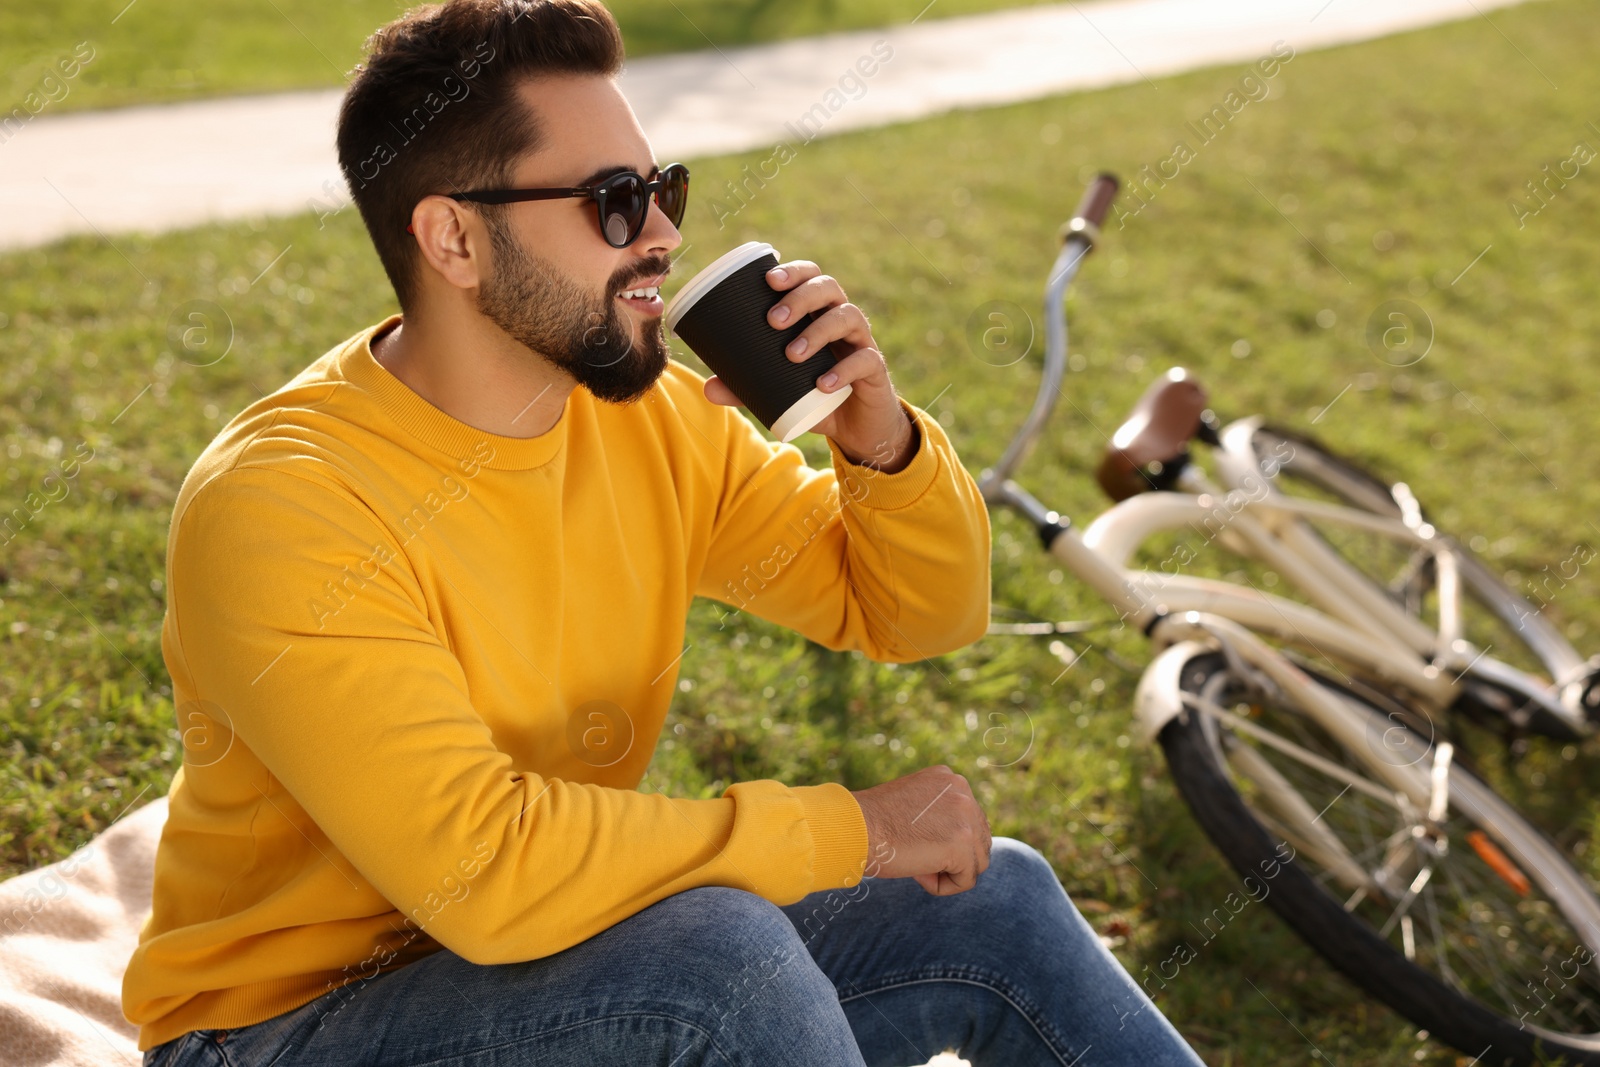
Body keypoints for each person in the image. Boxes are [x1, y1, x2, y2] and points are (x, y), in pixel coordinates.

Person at [121, 2, 1204, 1064]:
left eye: (662, 188)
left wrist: (880, 447)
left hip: (560, 963)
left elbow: (918, 613)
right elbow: (483, 870)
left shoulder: (647, 421)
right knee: (715, 963)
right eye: (615, 200)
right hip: (281, 1027)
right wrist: (854, 830)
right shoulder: (284, 502)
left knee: (992, 904)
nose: (665, 234)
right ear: (452, 237)